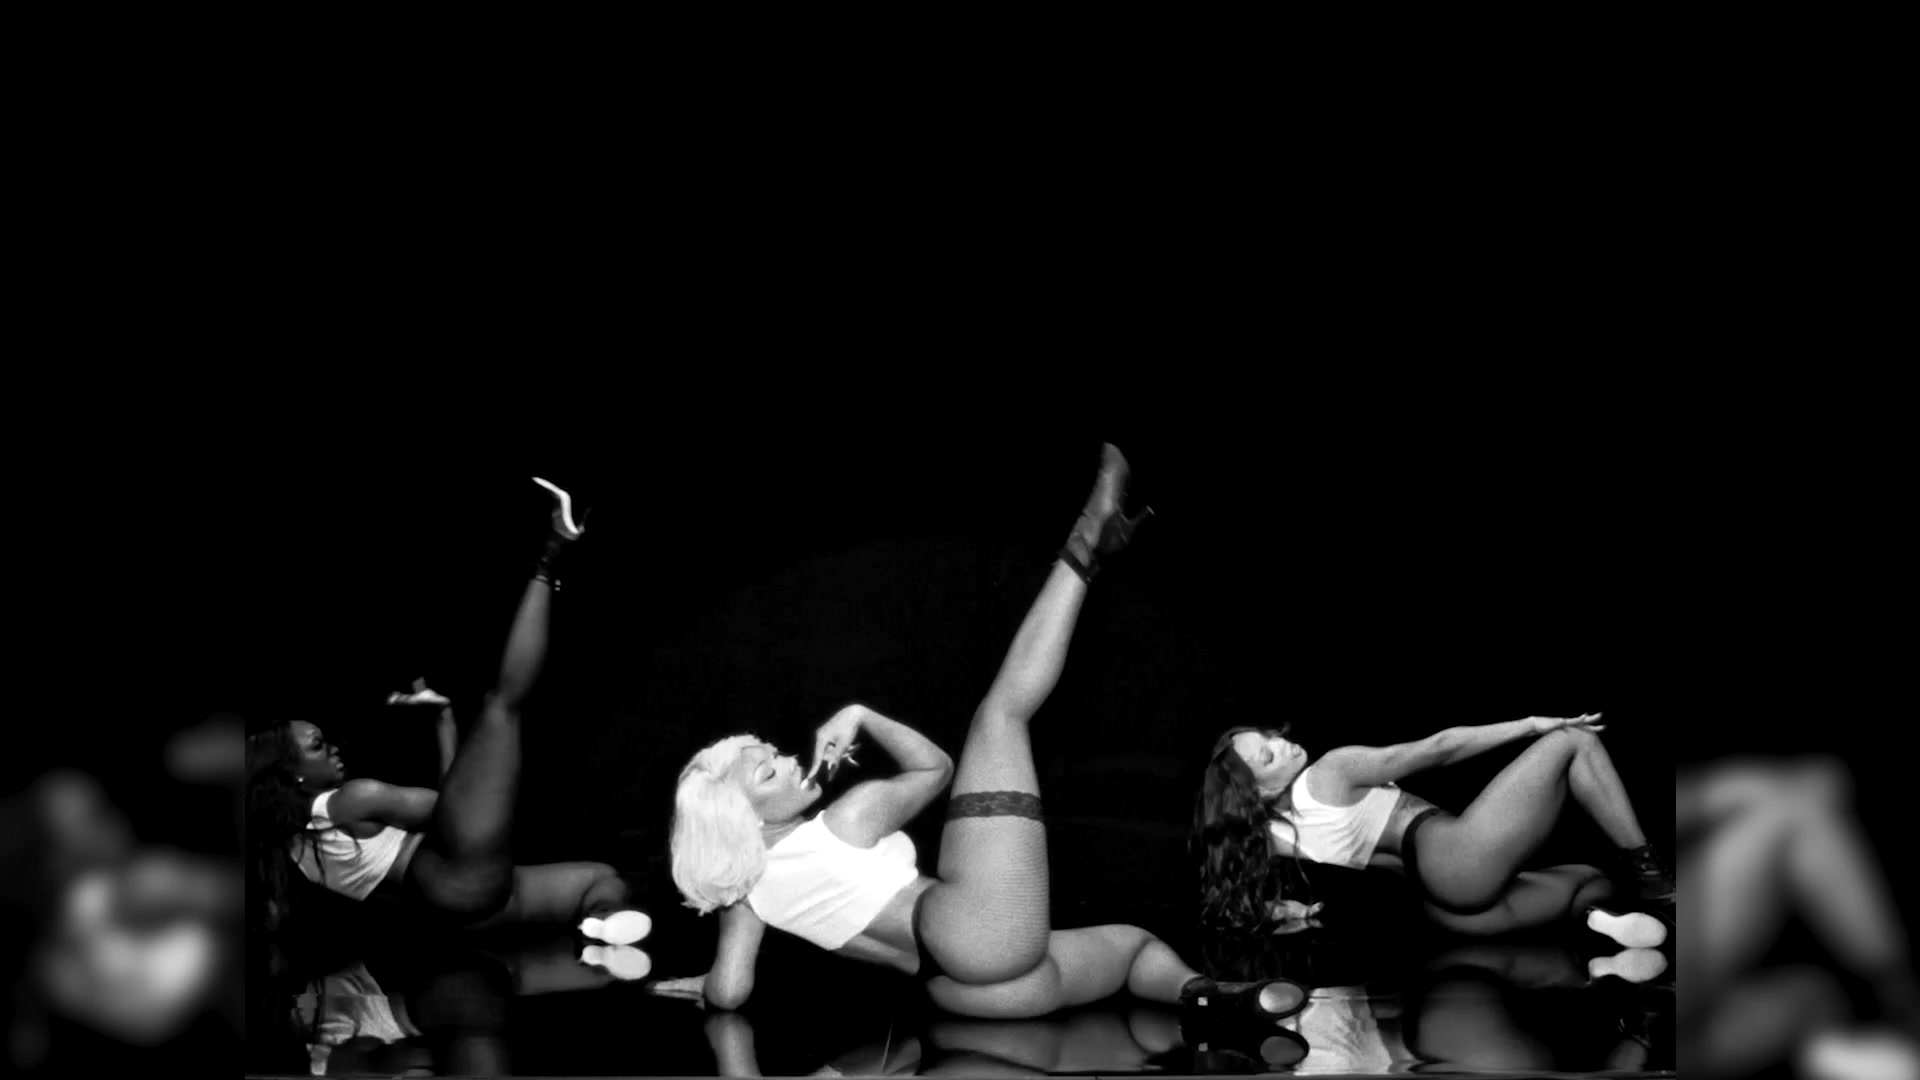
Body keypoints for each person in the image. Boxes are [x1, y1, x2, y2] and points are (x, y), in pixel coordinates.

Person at [671, 445, 1303, 1025]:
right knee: (999, 716)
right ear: (742, 819)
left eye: (773, 754)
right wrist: (861, 714)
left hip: (959, 988)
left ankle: (1219, 999)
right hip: (974, 934)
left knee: (1135, 948)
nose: (787, 760)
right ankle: (1087, 543)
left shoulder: (746, 898)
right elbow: (937, 770)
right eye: (768, 770)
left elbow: (729, 991)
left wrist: (697, 984)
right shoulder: (846, 818)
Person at [245, 478, 650, 951]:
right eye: (317, 746)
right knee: (502, 705)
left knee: (600, 879)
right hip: (456, 877)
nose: (333, 747)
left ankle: (601, 923)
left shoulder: (292, 845)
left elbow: (461, 808)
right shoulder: (352, 800)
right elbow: (450, 810)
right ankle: (552, 553)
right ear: (291, 775)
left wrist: (444, 721)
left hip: (452, 908)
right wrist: (445, 724)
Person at [1193, 712, 1674, 942]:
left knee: (1590, 880)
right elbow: (1439, 749)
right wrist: (1530, 726)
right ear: (1258, 792)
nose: (1283, 744)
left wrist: (1284, 910)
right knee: (1574, 740)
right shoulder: (1328, 773)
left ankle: (1598, 922)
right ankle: (1652, 878)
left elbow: (1232, 901)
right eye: (1268, 755)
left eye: (1271, 737)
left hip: (1444, 909)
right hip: (1459, 859)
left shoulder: (1275, 834)